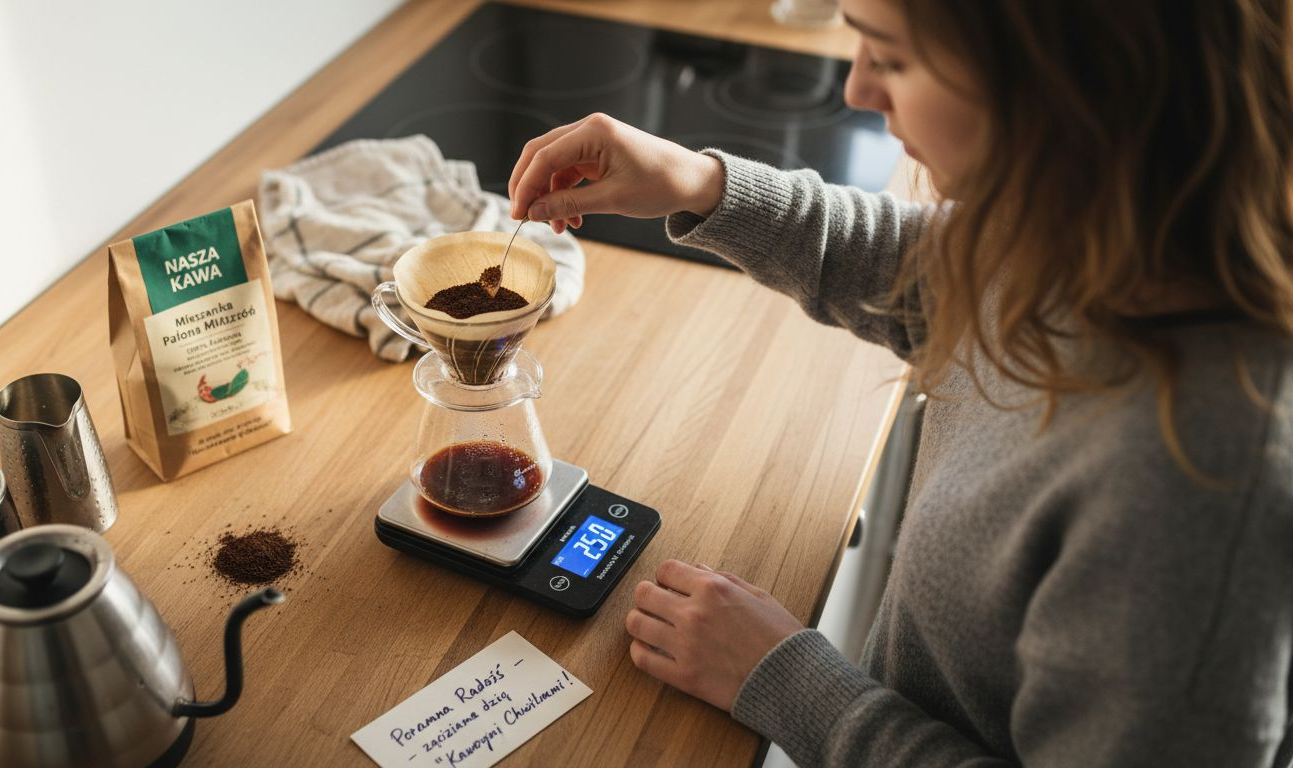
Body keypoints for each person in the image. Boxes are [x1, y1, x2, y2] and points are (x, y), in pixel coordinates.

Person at [508, 0, 1293, 765]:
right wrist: (699, 182)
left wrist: (790, 680)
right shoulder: (1095, 221)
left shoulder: (1202, 487)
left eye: (889, 56)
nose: (855, 89)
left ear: (1067, 80)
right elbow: (934, 275)